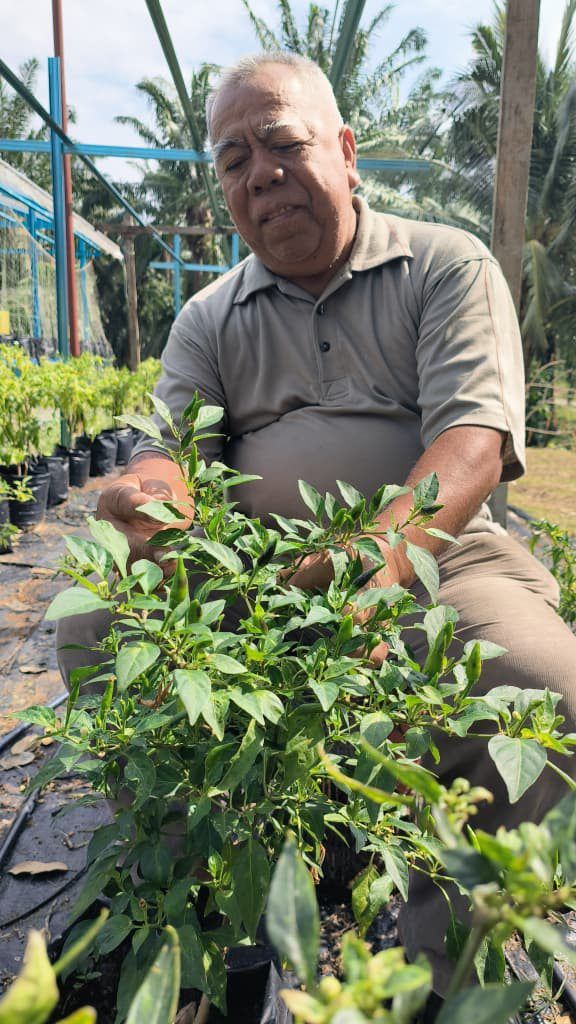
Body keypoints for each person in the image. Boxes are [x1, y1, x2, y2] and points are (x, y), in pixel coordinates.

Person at [56, 53, 576, 993]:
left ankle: (443, 969)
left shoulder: (443, 265)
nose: (258, 172)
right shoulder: (210, 317)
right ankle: (196, 908)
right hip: (255, 574)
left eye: (282, 142)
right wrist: (151, 493)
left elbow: (471, 447)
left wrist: (370, 577)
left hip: (439, 563)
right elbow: (170, 445)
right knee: (93, 616)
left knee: (541, 687)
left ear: (343, 151)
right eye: (232, 159)